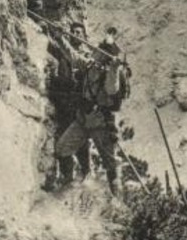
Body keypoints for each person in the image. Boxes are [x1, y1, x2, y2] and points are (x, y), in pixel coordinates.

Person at [53, 28, 131, 195]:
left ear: (105, 57)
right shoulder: (89, 65)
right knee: (62, 149)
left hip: (102, 124)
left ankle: (116, 201)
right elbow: (73, 57)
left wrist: (115, 69)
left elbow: (112, 89)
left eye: (100, 50)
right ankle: (69, 185)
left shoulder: (110, 72)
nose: (95, 51)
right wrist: (60, 38)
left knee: (111, 165)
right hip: (83, 119)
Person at [45, 21, 91, 188]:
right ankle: (67, 176)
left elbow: (76, 60)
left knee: (81, 140)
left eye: (79, 32)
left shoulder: (88, 56)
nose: (76, 35)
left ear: (84, 36)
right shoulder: (63, 50)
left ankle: (86, 171)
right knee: (63, 135)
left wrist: (61, 38)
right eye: (74, 32)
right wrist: (47, 30)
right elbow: (51, 46)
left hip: (80, 102)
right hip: (64, 100)